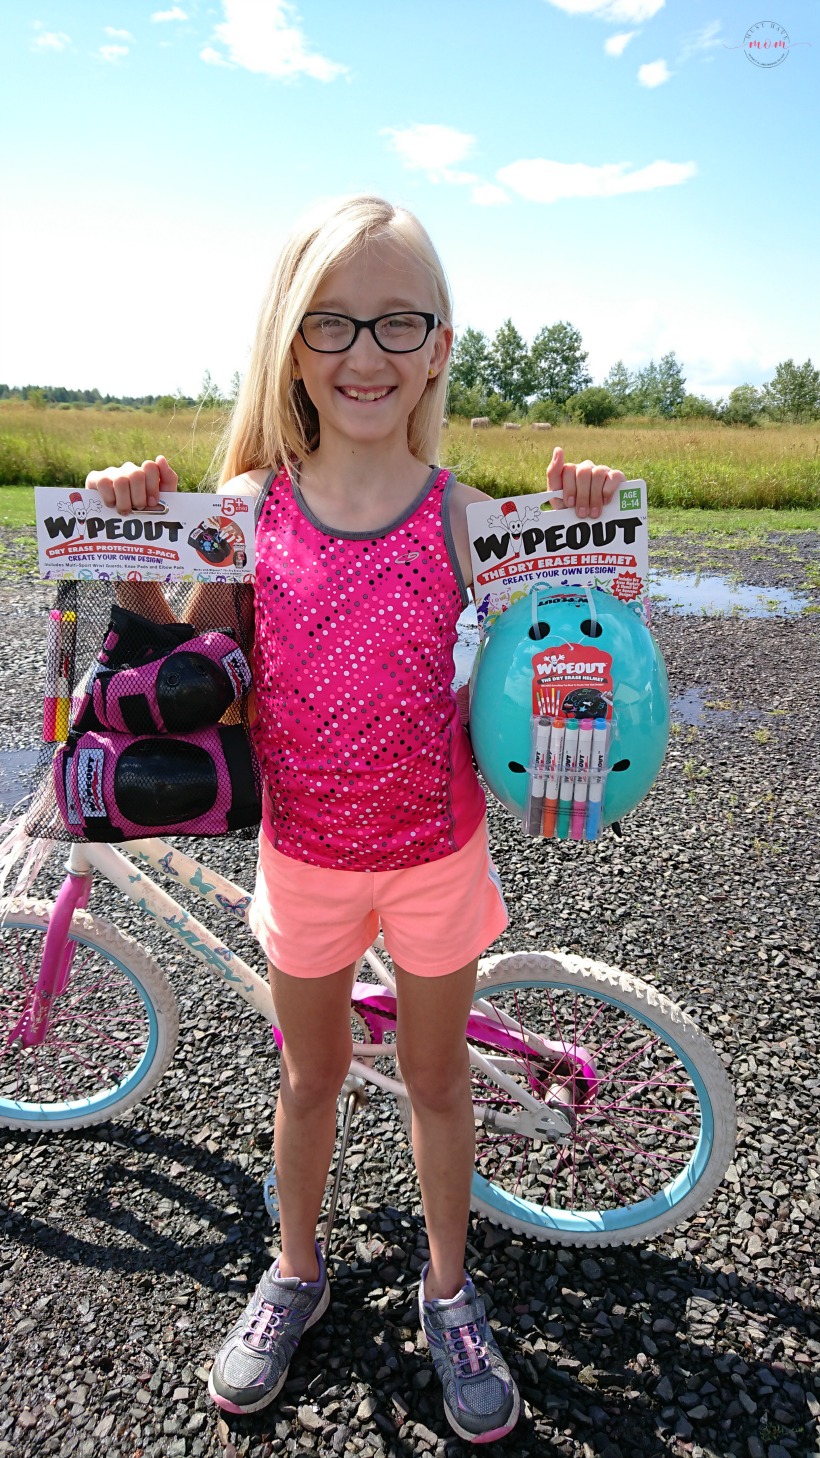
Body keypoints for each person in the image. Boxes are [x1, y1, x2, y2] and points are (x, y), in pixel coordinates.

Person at [87, 193, 625, 1445]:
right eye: (333, 322)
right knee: (311, 1073)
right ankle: (294, 1270)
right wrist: (126, 542)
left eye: (399, 321)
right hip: (305, 858)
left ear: (439, 345)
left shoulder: (463, 514)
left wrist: (586, 534)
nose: (367, 352)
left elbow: (572, 649)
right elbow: (186, 669)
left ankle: (449, 1290)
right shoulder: (248, 501)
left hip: (437, 855)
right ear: (290, 342)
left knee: (437, 1080)